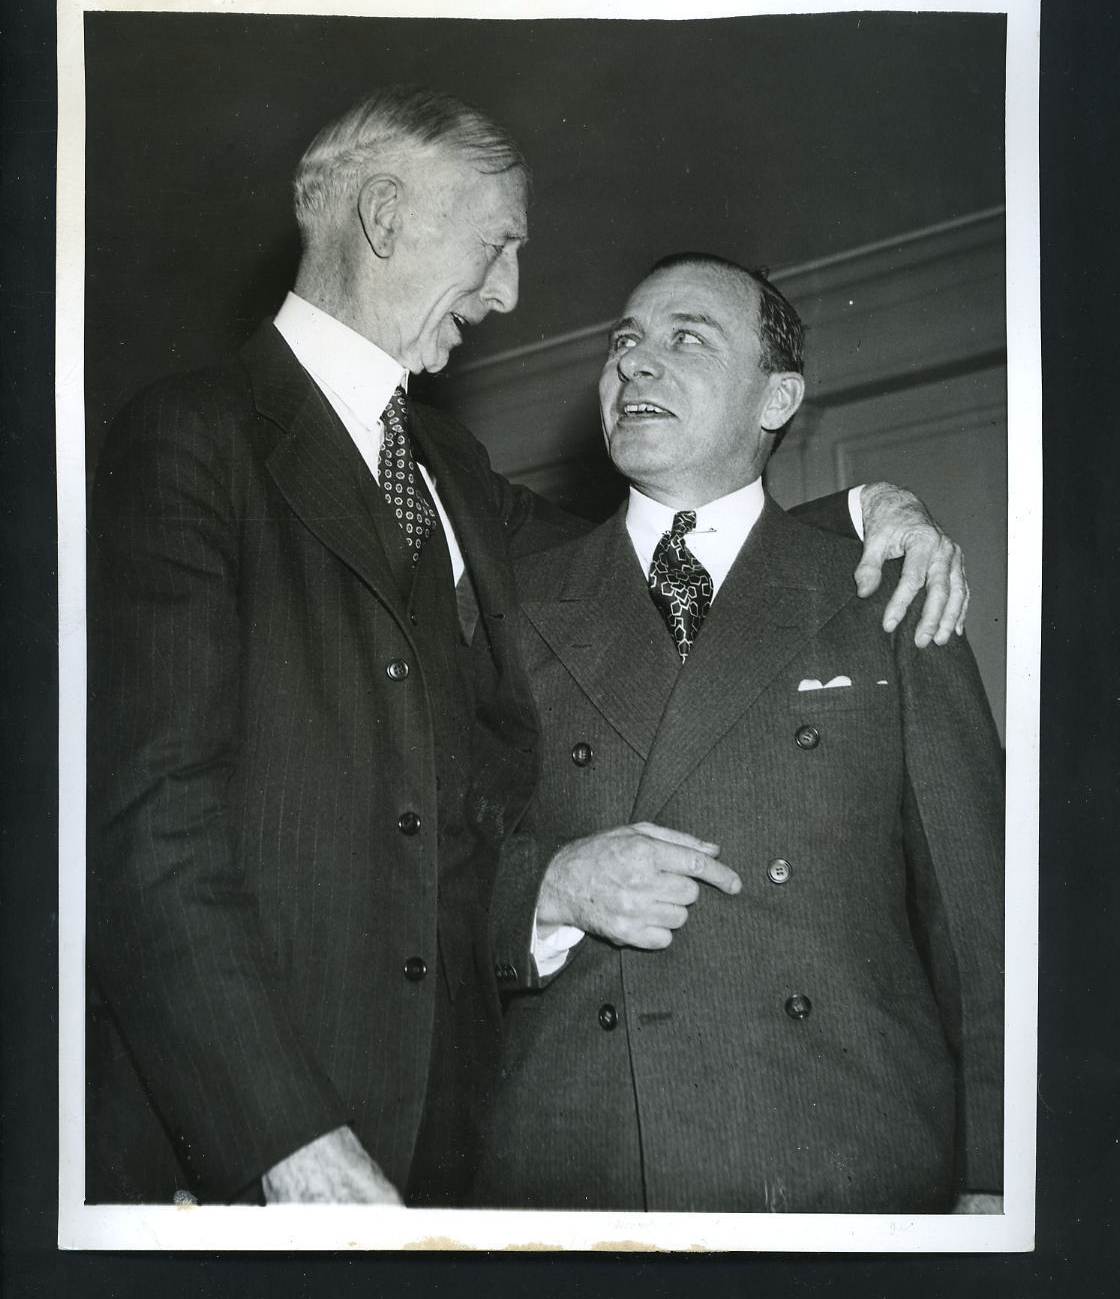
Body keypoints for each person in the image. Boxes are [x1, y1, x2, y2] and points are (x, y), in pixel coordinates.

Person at [86, 88, 969, 1208]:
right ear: (390, 217)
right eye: (497, 245)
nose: (509, 294)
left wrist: (864, 509)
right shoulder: (189, 435)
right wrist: (282, 1132)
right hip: (275, 1133)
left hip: (445, 1126)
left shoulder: (445, 465)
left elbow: (674, 544)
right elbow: (147, 825)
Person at [474, 254, 1003, 1214]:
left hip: (841, 1158)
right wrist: (547, 889)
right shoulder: (506, 608)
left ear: (778, 396)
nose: (636, 364)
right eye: (624, 343)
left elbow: (982, 916)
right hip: (580, 1166)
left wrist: (996, 1180)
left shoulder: (883, 587)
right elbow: (412, 873)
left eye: (686, 339)